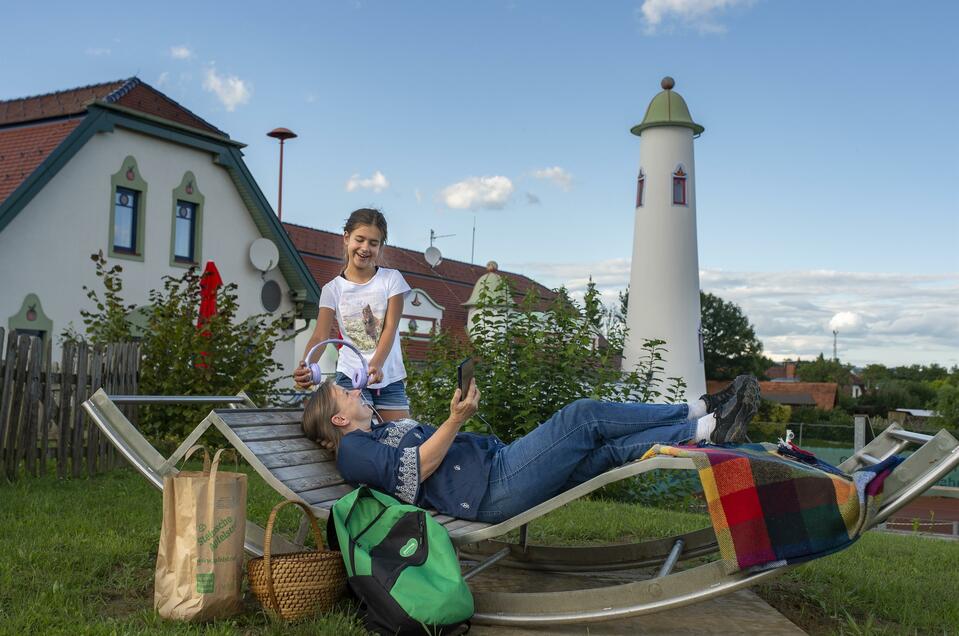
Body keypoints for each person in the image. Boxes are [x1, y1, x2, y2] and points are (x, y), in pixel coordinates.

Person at [302, 375, 761, 522]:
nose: (354, 390)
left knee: (604, 451)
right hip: (490, 487)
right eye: (344, 394)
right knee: (583, 417)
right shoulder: (352, 451)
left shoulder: (377, 430)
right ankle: (699, 410)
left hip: (494, 472)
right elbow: (415, 470)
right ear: (339, 420)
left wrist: (455, 418)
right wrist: (456, 418)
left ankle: (706, 431)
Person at [295, 208, 412, 422]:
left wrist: (376, 364)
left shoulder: (392, 280)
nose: (365, 248)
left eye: (373, 243)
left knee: (402, 437)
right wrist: (306, 364)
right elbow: (320, 336)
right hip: (350, 376)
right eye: (360, 239)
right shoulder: (332, 290)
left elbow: (390, 328)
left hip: (389, 377)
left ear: (380, 246)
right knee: (357, 438)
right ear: (346, 238)